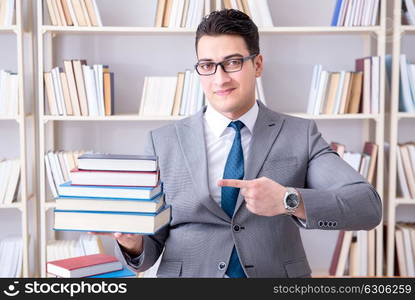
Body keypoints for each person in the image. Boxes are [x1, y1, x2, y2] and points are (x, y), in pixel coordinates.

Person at [112, 9, 382, 278]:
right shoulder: (162, 142)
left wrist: (288, 200)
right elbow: (150, 247)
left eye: (232, 62)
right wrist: (133, 244)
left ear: (258, 64)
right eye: (207, 65)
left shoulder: (300, 134)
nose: (220, 79)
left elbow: (367, 206)